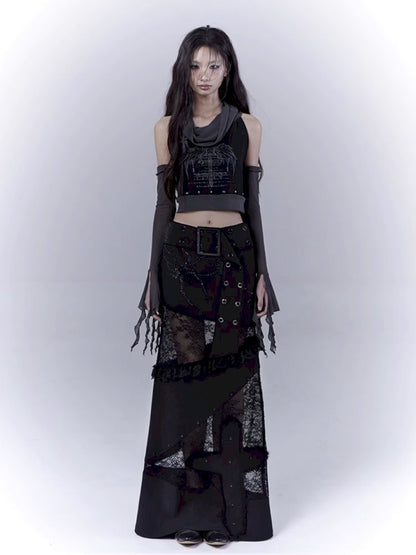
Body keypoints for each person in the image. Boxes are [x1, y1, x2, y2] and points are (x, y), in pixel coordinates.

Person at [130, 25, 280, 547]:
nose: (204, 75)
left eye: (214, 65)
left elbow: (253, 205)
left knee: (232, 384)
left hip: (235, 258)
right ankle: (190, 510)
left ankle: (228, 510)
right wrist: (152, 276)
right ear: (184, 70)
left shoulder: (248, 126)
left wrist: (263, 274)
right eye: (196, 65)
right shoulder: (166, 128)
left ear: (227, 70)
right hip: (180, 258)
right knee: (189, 385)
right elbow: (162, 205)